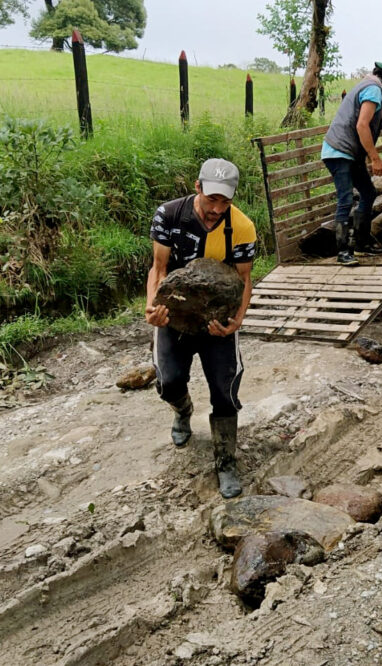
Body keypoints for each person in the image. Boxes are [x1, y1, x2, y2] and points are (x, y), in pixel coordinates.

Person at [145, 158, 256, 498]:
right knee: (168, 380)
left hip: (215, 320)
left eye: (225, 201)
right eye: (211, 199)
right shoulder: (169, 216)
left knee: (225, 389)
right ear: (198, 187)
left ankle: (225, 461)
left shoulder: (242, 228)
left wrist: (236, 320)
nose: (216, 209)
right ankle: (182, 410)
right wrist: (153, 308)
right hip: (175, 313)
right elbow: (159, 268)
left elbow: (243, 278)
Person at [321, 59, 382, 266]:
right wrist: (375, 157)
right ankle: (343, 251)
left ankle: (362, 241)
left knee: (368, 192)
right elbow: (362, 125)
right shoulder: (374, 90)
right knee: (346, 198)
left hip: (350, 152)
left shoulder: (371, 86)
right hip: (339, 152)